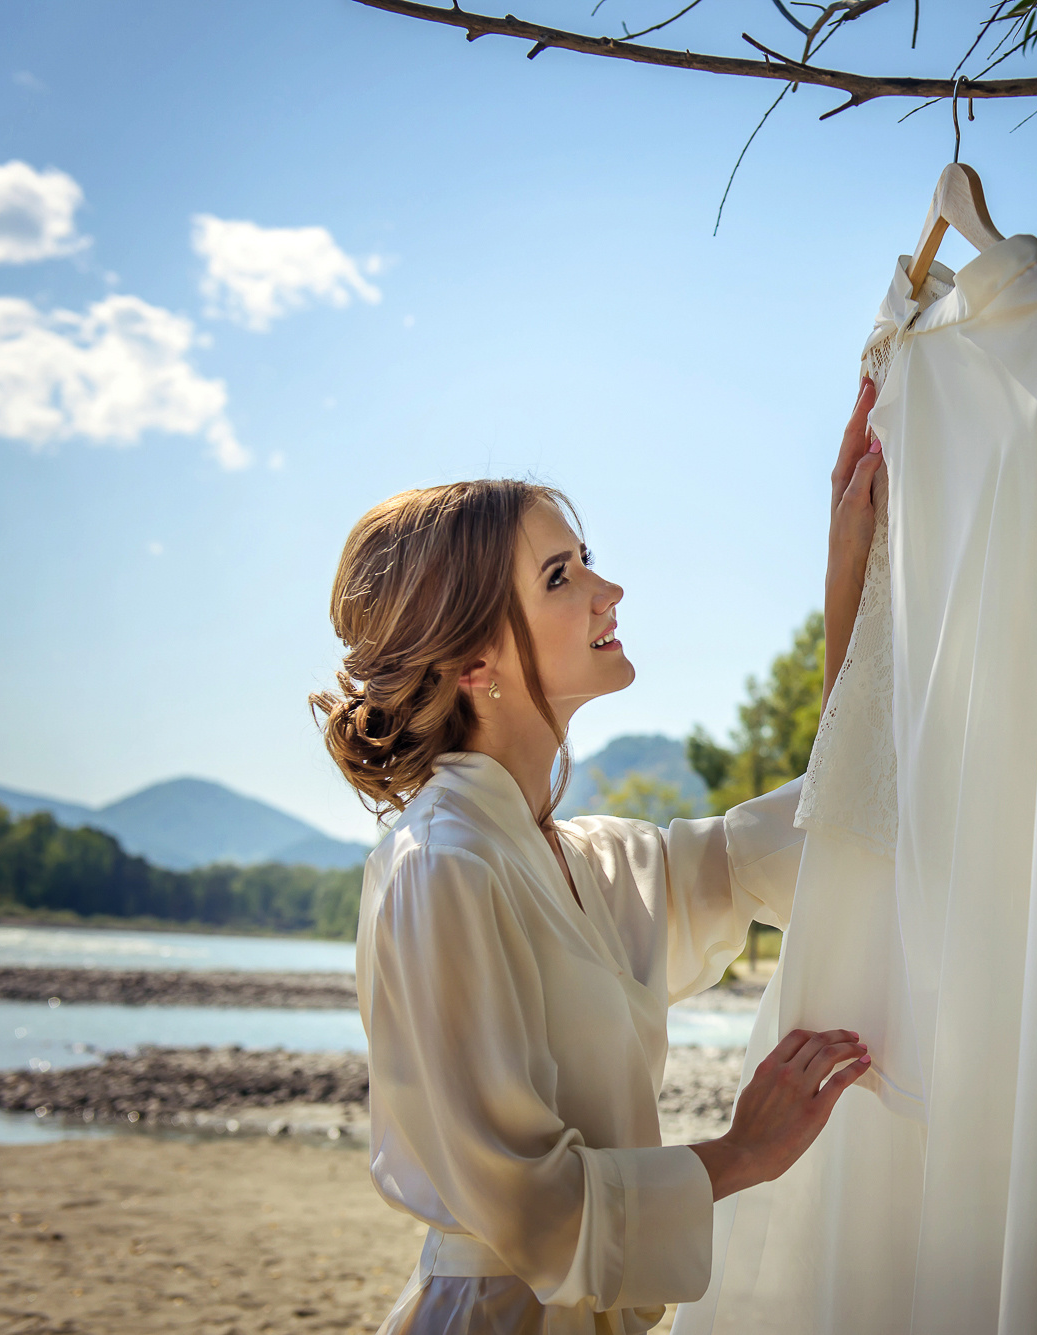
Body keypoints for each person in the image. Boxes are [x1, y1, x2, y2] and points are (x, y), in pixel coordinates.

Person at [309, 381, 887, 1335]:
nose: (607, 591)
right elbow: (531, 1207)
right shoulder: (440, 865)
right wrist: (742, 1152)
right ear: (474, 665)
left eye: (587, 563)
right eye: (559, 577)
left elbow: (811, 833)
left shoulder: (587, 858)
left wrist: (849, 577)